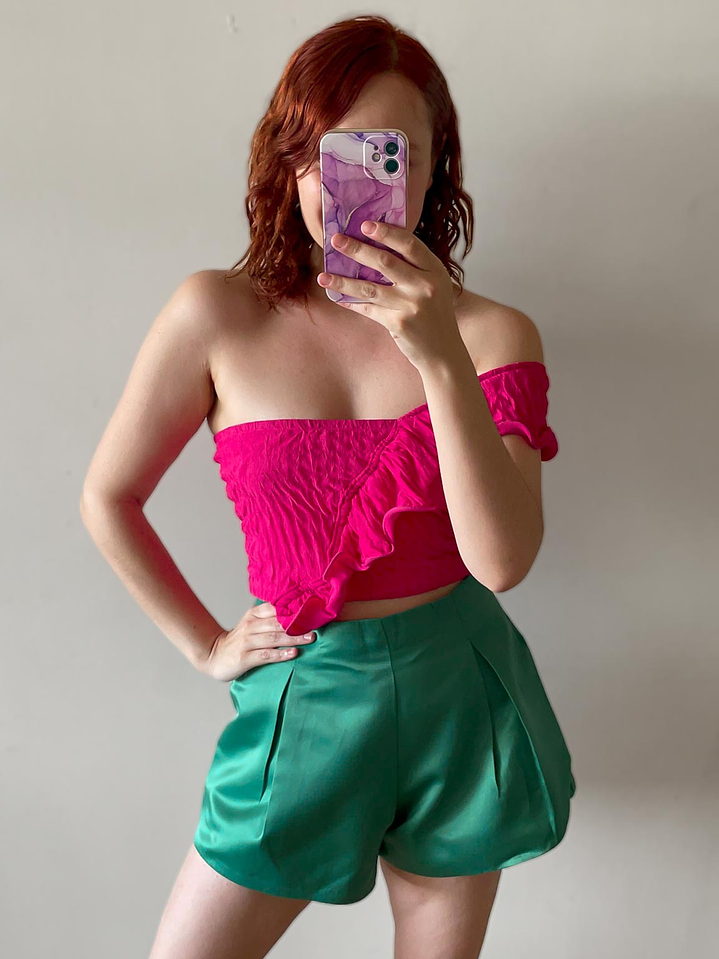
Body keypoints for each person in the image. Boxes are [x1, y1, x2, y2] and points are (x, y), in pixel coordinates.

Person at [80, 15, 576, 959]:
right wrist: (207, 644)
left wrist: (437, 356)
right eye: (325, 150)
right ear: (291, 161)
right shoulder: (217, 314)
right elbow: (109, 496)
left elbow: (503, 561)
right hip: (302, 692)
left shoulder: (493, 333)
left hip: (457, 687)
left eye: (390, 152)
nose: (350, 181)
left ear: (432, 169)